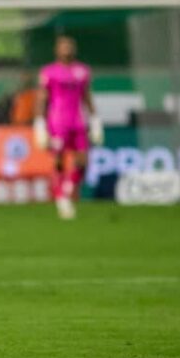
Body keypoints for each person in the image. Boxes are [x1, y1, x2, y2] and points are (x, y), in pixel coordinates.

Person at [34, 35, 103, 220]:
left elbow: (87, 97)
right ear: (57, 50)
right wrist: (40, 124)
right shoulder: (49, 72)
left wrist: (95, 120)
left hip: (78, 121)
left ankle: (67, 189)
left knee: (83, 162)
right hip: (58, 122)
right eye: (63, 46)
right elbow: (42, 99)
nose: (67, 49)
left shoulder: (82, 71)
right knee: (58, 161)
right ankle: (61, 199)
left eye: (70, 46)